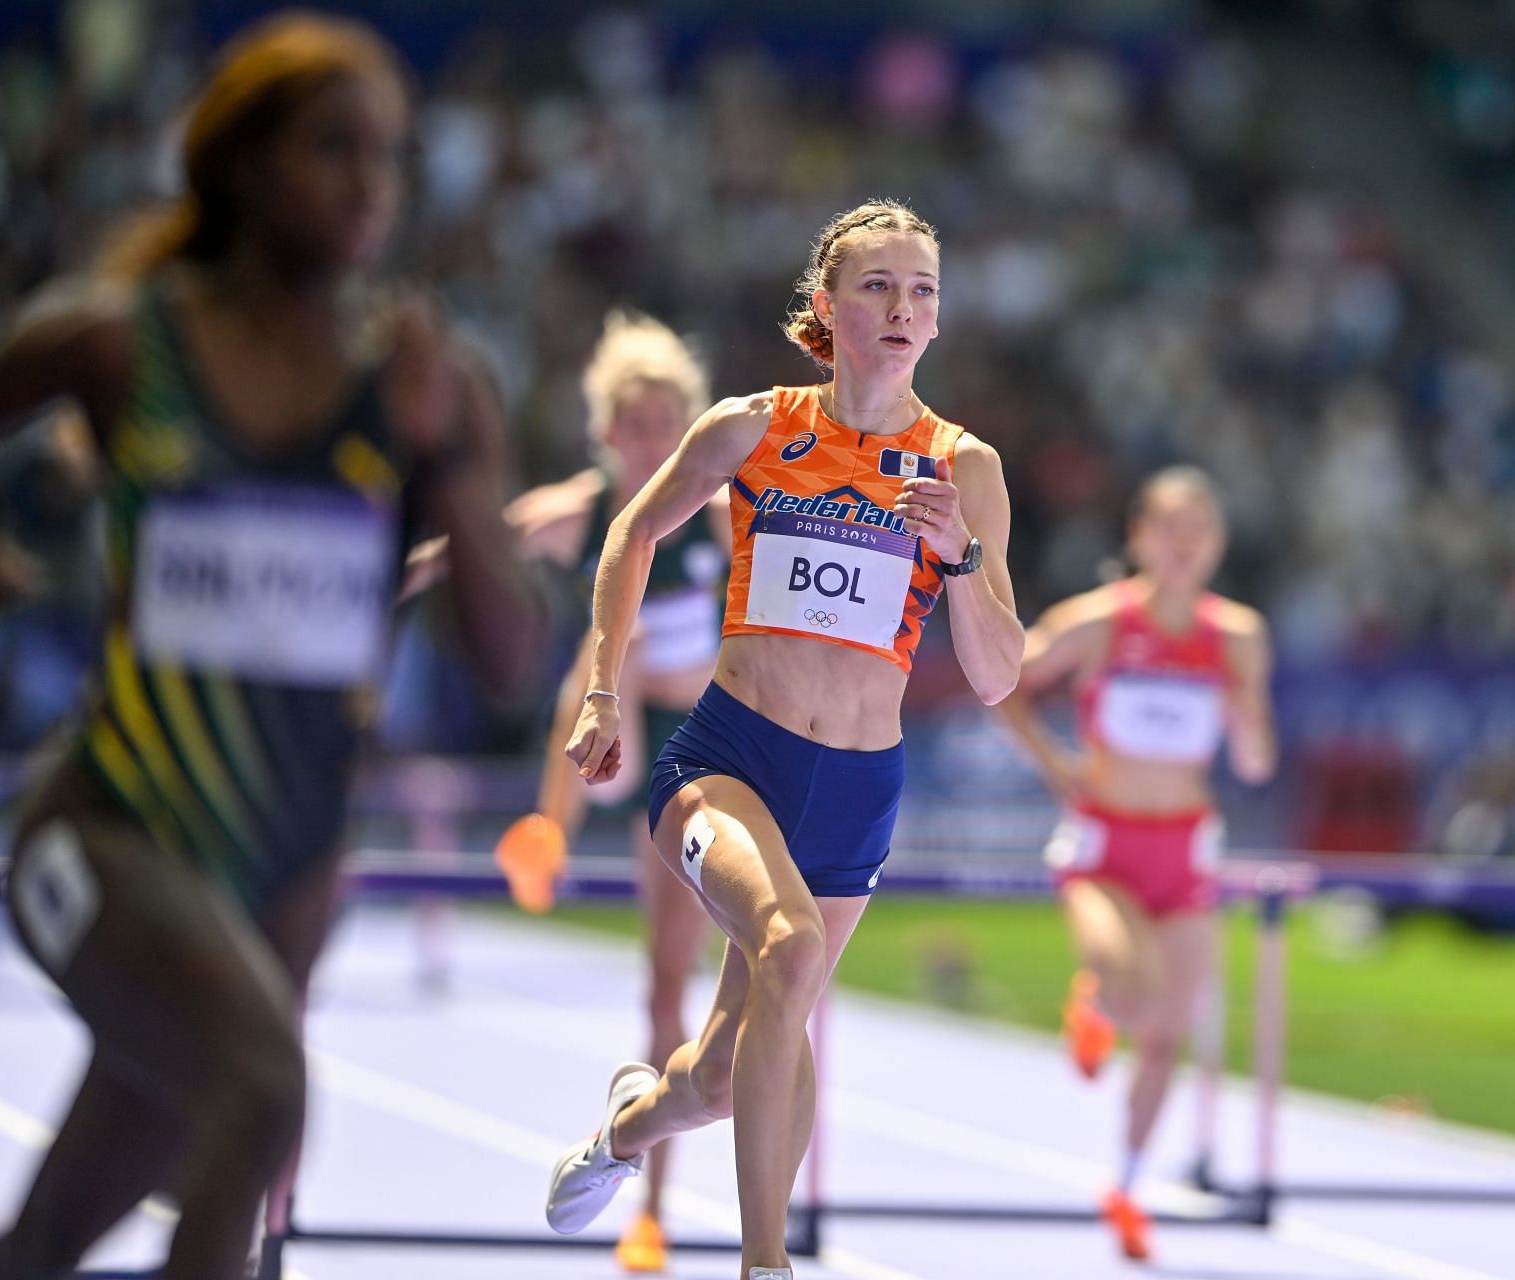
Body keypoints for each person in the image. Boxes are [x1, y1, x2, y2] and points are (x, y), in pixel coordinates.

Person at [0, 15, 543, 1279]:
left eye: (389, 157)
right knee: (263, 1093)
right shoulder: (118, 339)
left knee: (49, 1240)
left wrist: (446, 464)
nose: (372, 185)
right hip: (105, 837)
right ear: (245, 163)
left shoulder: (423, 382)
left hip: (283, 872)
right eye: (336, 149)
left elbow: (509, 662)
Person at [542, 199, 1024, 1279]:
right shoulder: (753, 428)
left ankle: (625, 1126)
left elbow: (998, 675)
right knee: (794, 953)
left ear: (939, 323)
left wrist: (956, 559)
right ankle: (769, 1262)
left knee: (718, 1075)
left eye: (924, 291)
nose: (903, 308)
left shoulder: (963, 466)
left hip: (856, 790)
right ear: (827, 305)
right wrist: (605, 690)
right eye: (879, 285)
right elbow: (632, 532)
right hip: (728, 761)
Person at [405, 309, 727, 1273]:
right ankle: (548, 828)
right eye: (633, 422)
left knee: (666, 990)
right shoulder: (587, 510)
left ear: (688, 424)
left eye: (668, 419)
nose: (651, 438)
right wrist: (380, 576)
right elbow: (475, 548)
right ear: (606, 430)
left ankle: (653, 1209)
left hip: (699, 748)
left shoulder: (716, 511)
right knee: (595, 656)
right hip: (611, 727)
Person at [997, 466, 1277, 1261]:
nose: (1185, 544)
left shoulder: (1238, 636)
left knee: (1169, 1031)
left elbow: (1256, 761)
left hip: (1184, 847)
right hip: (1105, 845)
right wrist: (1053, 761)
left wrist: (1245, 711)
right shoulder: (1099, 624)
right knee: (1131, 989)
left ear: (1217, 545)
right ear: (1139, 537)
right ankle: (1095, 1006)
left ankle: (1124, 1185)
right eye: (1170, 528)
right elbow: (1003, 680)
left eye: (1200, 529)